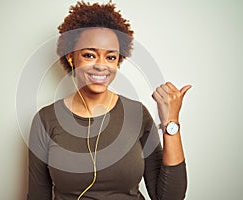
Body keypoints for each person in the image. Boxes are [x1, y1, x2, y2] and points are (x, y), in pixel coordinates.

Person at [27, 1, 191, 200]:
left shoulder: (136, 114)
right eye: (89, 55)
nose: (101, 66)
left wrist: (170, 123)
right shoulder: (46, 119)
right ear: (71, 57)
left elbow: (170, 198)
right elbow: (38, 195)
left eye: (110, 57)